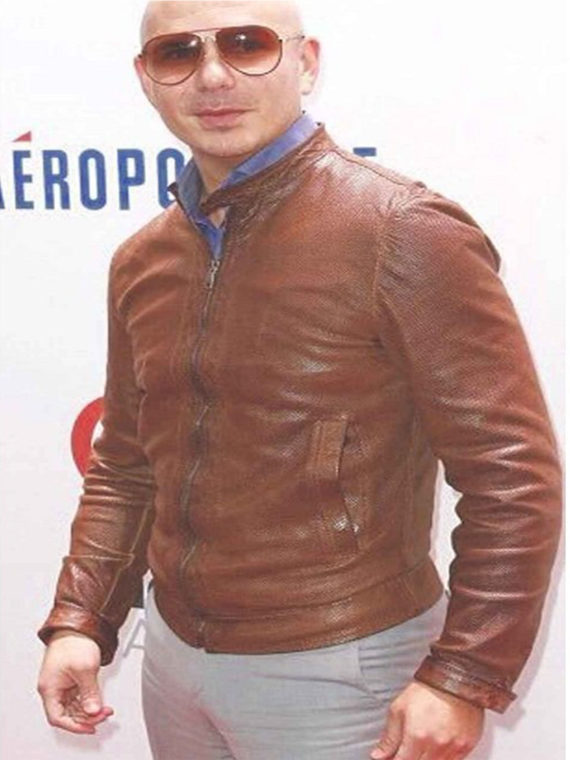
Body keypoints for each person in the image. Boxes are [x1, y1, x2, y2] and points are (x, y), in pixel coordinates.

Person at [36, 2, 563, 759]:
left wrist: (464, 674)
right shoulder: (144, 259)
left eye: (246, 45)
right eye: (178, 53)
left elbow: (511, 475)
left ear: (306, 62)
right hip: (173, 663)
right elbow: (125, 463)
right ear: (147, 79)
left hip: (342, 669)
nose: (213, 76)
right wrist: (82, 619)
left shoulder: (402, 229)